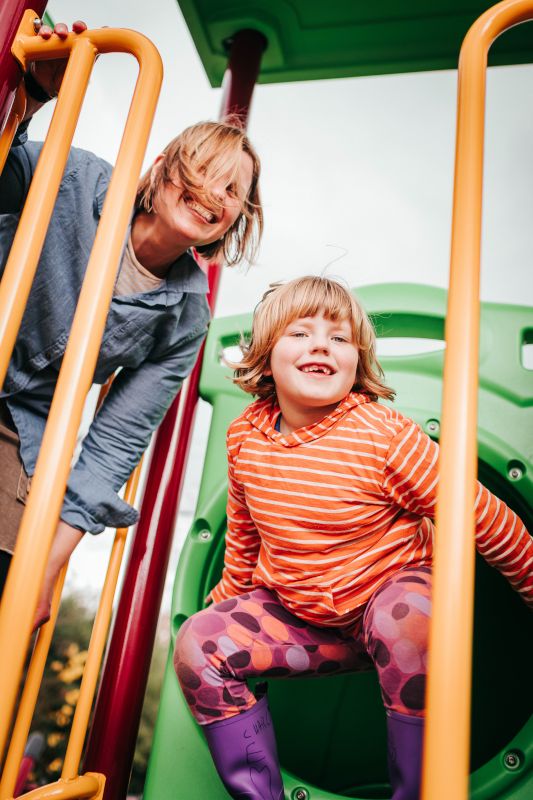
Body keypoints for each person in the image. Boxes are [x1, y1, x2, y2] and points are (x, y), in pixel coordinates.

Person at [173, 275, 533, 800]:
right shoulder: (246, 437)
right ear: (266, 353)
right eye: (301, 332)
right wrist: (226, 601)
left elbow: (480, 512)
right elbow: (245, 535)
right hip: (309, 624)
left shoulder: (382, 434)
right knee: (199, 645)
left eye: (340, 338)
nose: (322, 344)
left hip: (402, 614)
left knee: (403, 618)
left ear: (357, 363)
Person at [0, 22, 263, 627]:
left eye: (233, 191)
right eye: (204, 171)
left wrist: (47, 569)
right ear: (164, 166)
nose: (214, 195)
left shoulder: (185, 316)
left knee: (11, 571)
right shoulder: (75, 177)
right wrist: (34, 96)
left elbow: (115, 441)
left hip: (24, 427)